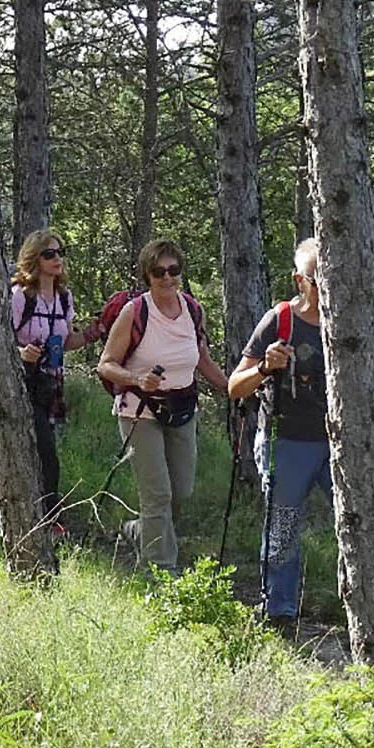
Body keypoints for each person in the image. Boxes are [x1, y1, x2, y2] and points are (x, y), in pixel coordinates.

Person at [95, 238, 230, 571]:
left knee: (180, 491)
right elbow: (106, 364)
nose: (168, 278)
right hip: (140, 412)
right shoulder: (135, 311)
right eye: (159, 272)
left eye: (174, 270)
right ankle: (161, 574)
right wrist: (137, 380)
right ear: (147, 275)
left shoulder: (193, 310)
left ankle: (138, 530)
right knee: (157, 495)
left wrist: (235, 387)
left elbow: (203, 360)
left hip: (182, 408)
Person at [227, 237, 330, 635]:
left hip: (343, 445)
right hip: (286, 442)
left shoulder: (356, 320)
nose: (328, 287)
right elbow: (236, 386)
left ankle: (364, 607)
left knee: (359, 523)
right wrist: (266, 369)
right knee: (284, 528)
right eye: (318, 279)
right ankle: (279, 612)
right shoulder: (280, 320)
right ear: (299, 280)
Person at [11, 230, 92, 529]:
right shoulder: (20, 295)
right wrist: (22, 353)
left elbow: (67, 340)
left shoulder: (63, 297)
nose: (57, 259)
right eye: (49, 254)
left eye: (60, 253)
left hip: (52, 382)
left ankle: (40, 509)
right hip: (23, 383)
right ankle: (49, 515)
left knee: (47, 445)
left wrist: (92, 334)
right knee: (45, 449)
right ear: (35, 258)